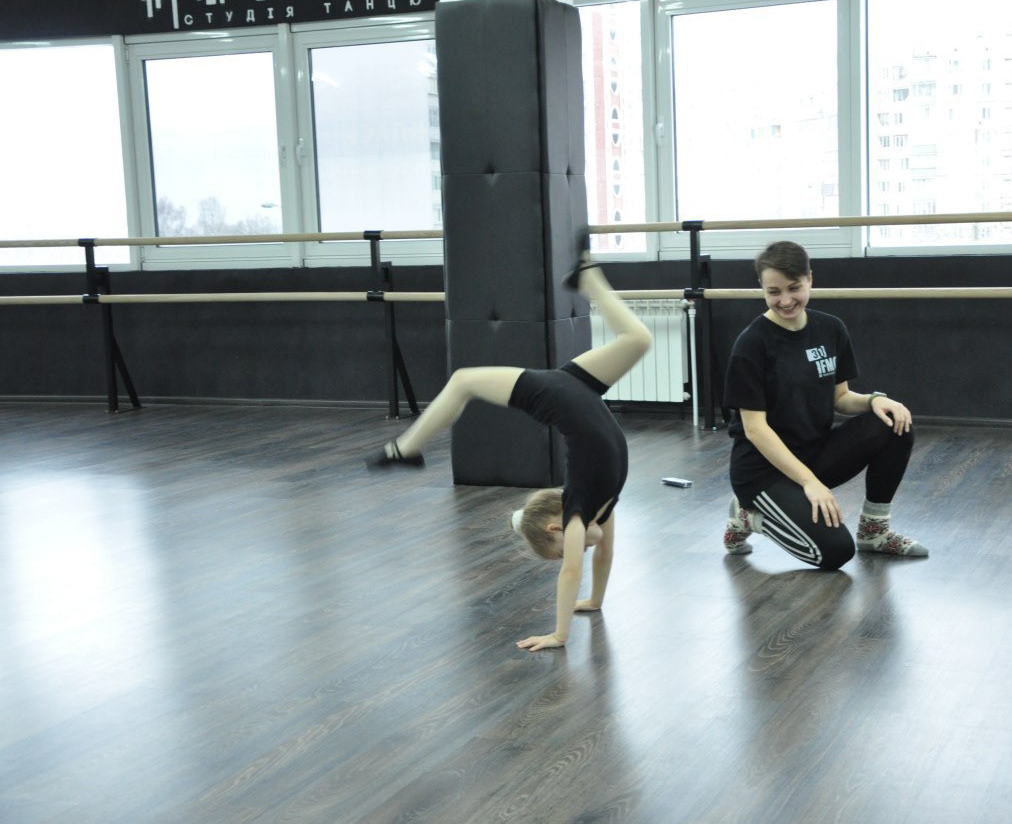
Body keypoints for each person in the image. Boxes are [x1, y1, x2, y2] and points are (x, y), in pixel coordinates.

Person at [366, 243, 651, 650]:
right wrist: (595, 601)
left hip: (555, 395)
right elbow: (605, 554)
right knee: (639, 339)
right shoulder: (602, 509)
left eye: (562, 550)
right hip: (579, 386)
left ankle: (407, 448)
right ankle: (588, 278)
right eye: (568, 552)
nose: (577, 553)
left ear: (556, 529)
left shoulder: (577, 511)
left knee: (463, 380)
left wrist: (559, 634)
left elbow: (571, 573)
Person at [720, 240, 926, 570]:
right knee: (835, 552)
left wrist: (876, 400)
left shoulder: (830, 328)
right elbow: (756, 430)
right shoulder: (752, 344)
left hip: (813, 453)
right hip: (762, 472)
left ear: (810, 279)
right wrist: (809, 482)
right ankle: (748, 516)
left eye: (794, 288)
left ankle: (874, 532)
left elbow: (840, 398)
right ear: (762, 288)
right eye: (774, 292)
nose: (785, 300)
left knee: (894, 424)